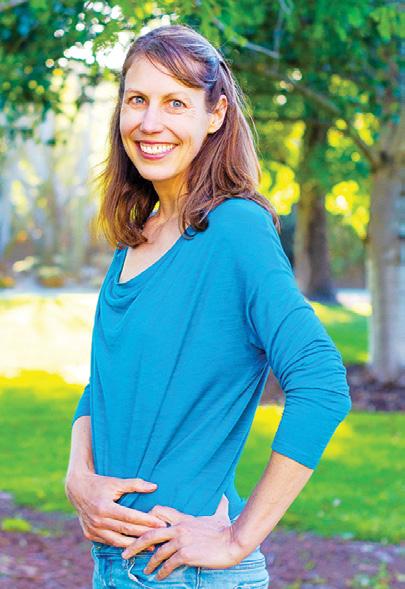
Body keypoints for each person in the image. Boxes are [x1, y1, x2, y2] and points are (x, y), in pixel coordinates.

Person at [65, 23, 352, 589]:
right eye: (137, 100)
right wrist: (80, 475)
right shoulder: (138, 236)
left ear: (215, 114)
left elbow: (321, 381)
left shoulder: (234, 228)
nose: (150, 122)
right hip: (119, 566)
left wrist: (238, 538)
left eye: (175, 103)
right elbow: (109, 380)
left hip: (185, 571)